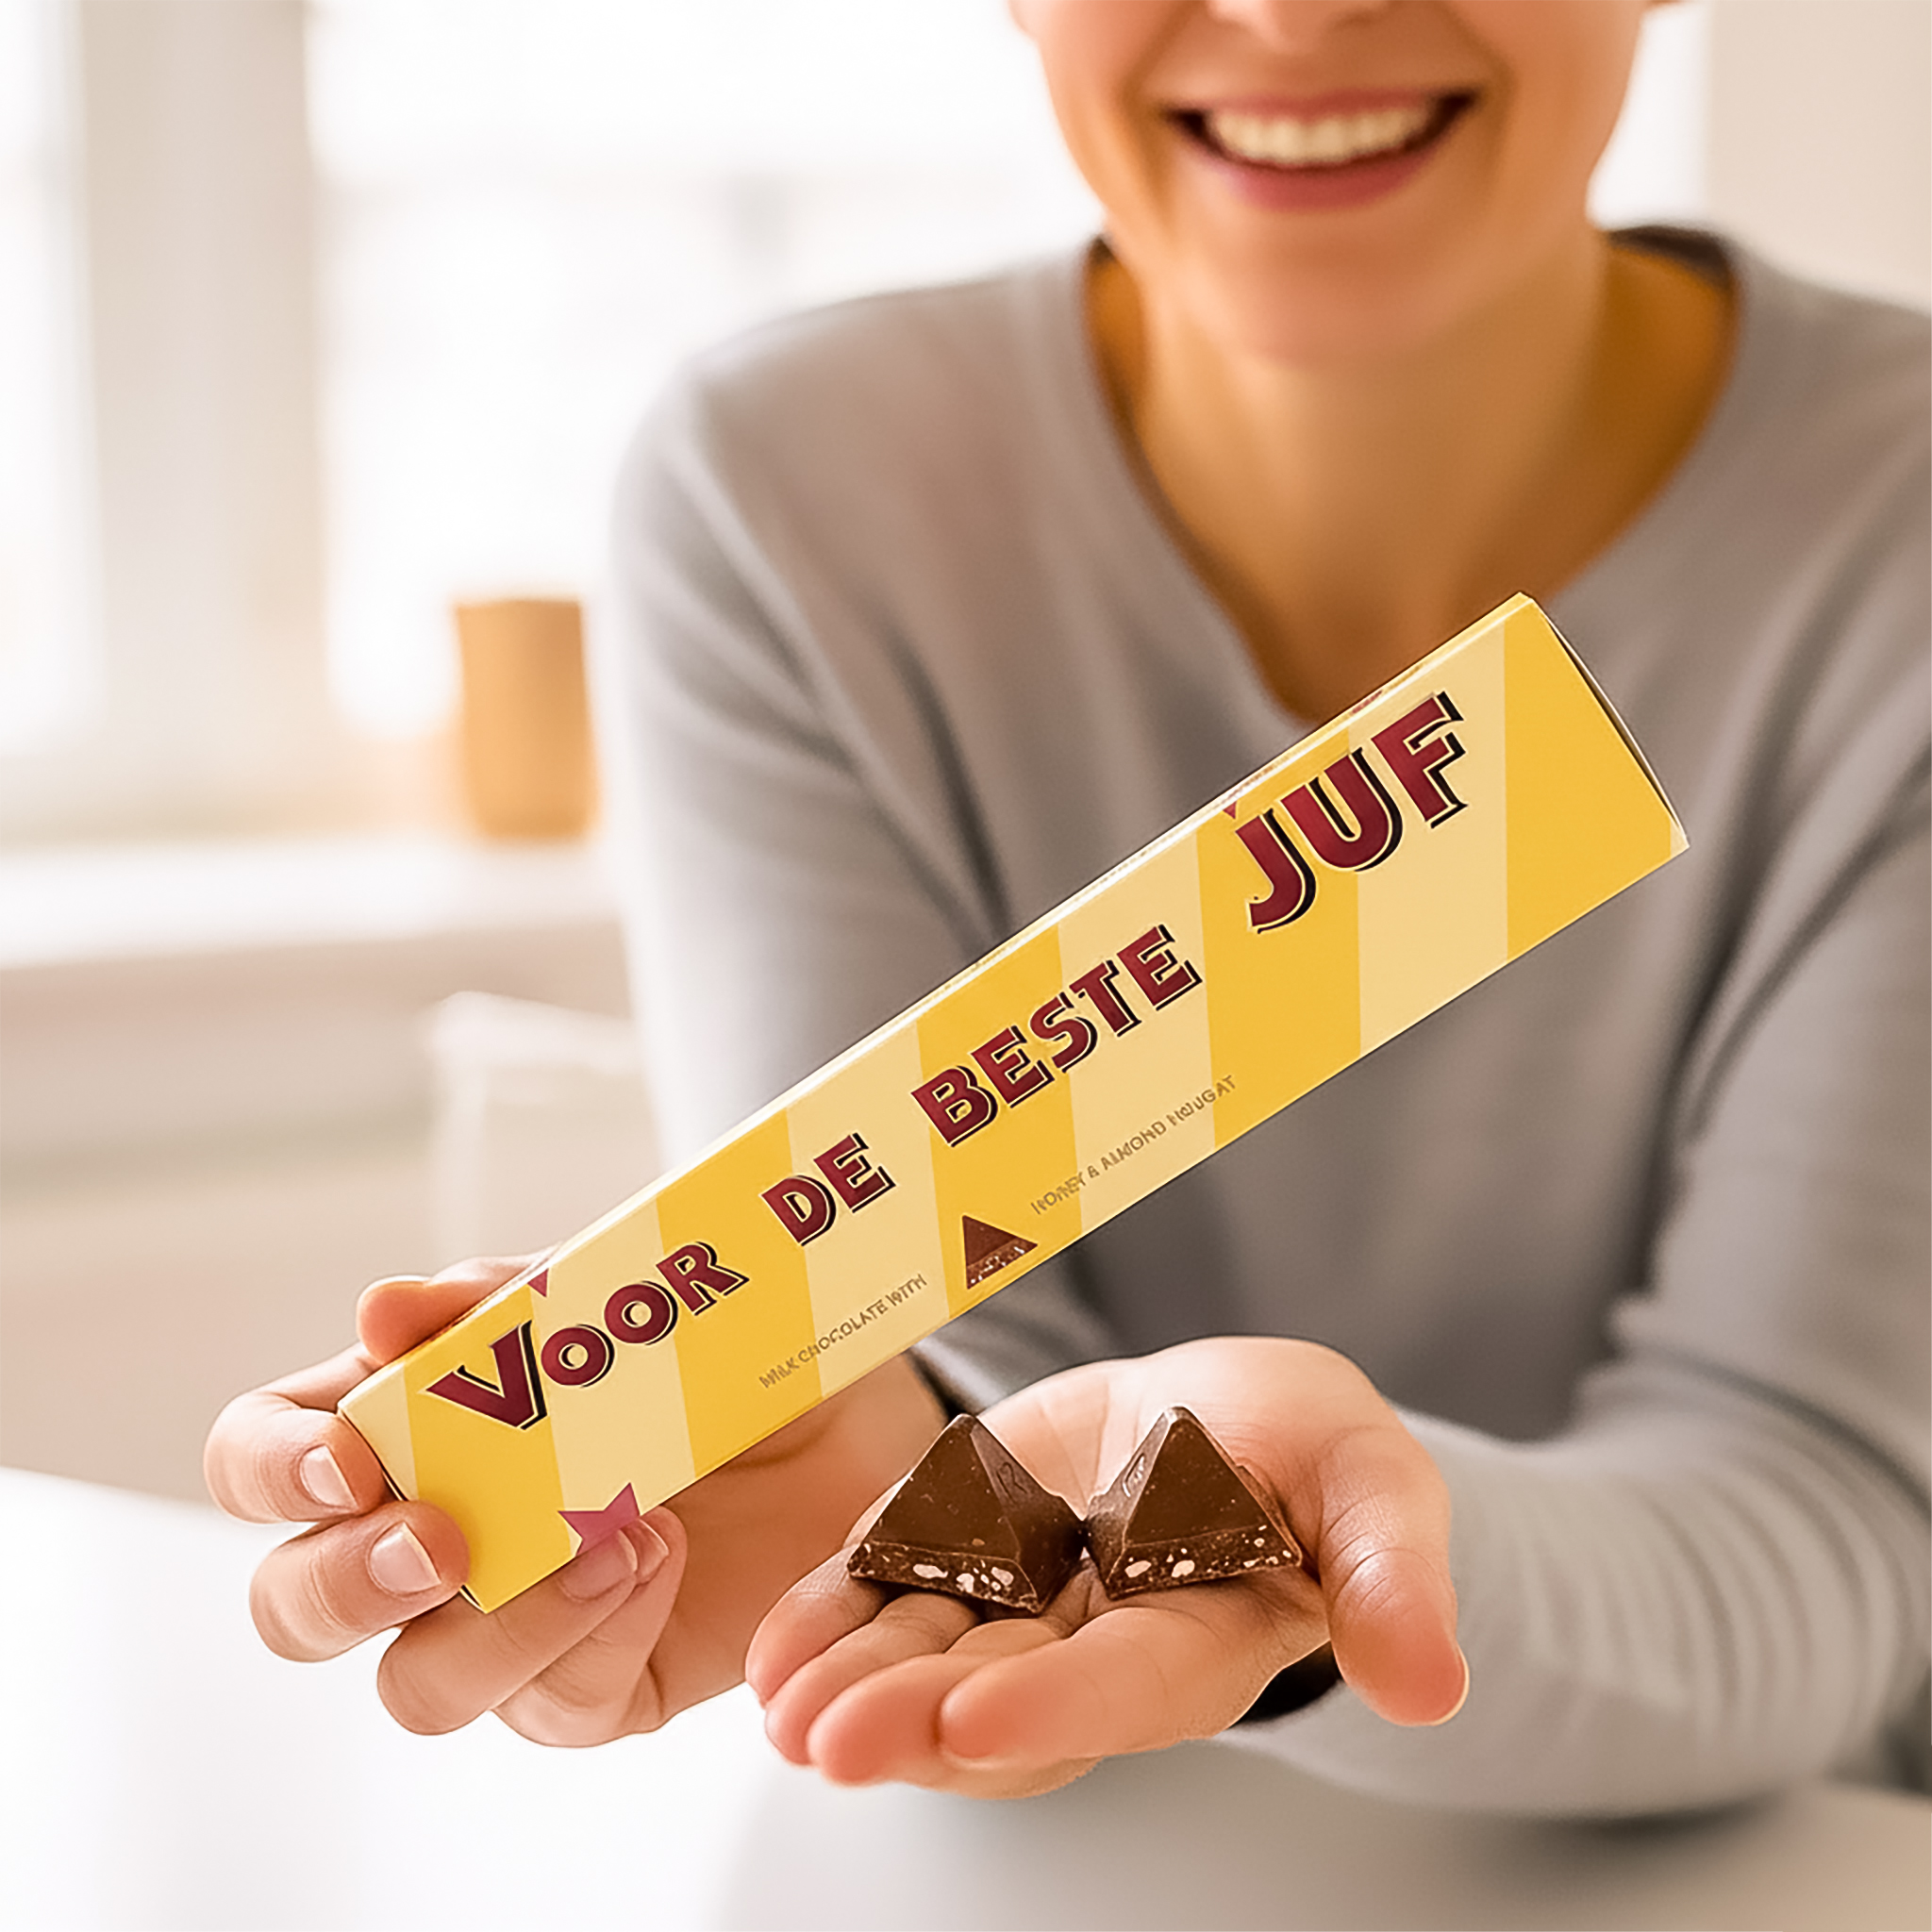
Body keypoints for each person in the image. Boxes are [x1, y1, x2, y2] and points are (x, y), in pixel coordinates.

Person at [205, 0, 1929, 1814]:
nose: (1290, 14)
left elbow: (1827, 1524)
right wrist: (889, 1452)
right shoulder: (788, 501)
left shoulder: (1889, 534)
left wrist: (1314, 1550)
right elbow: (945, 1422)